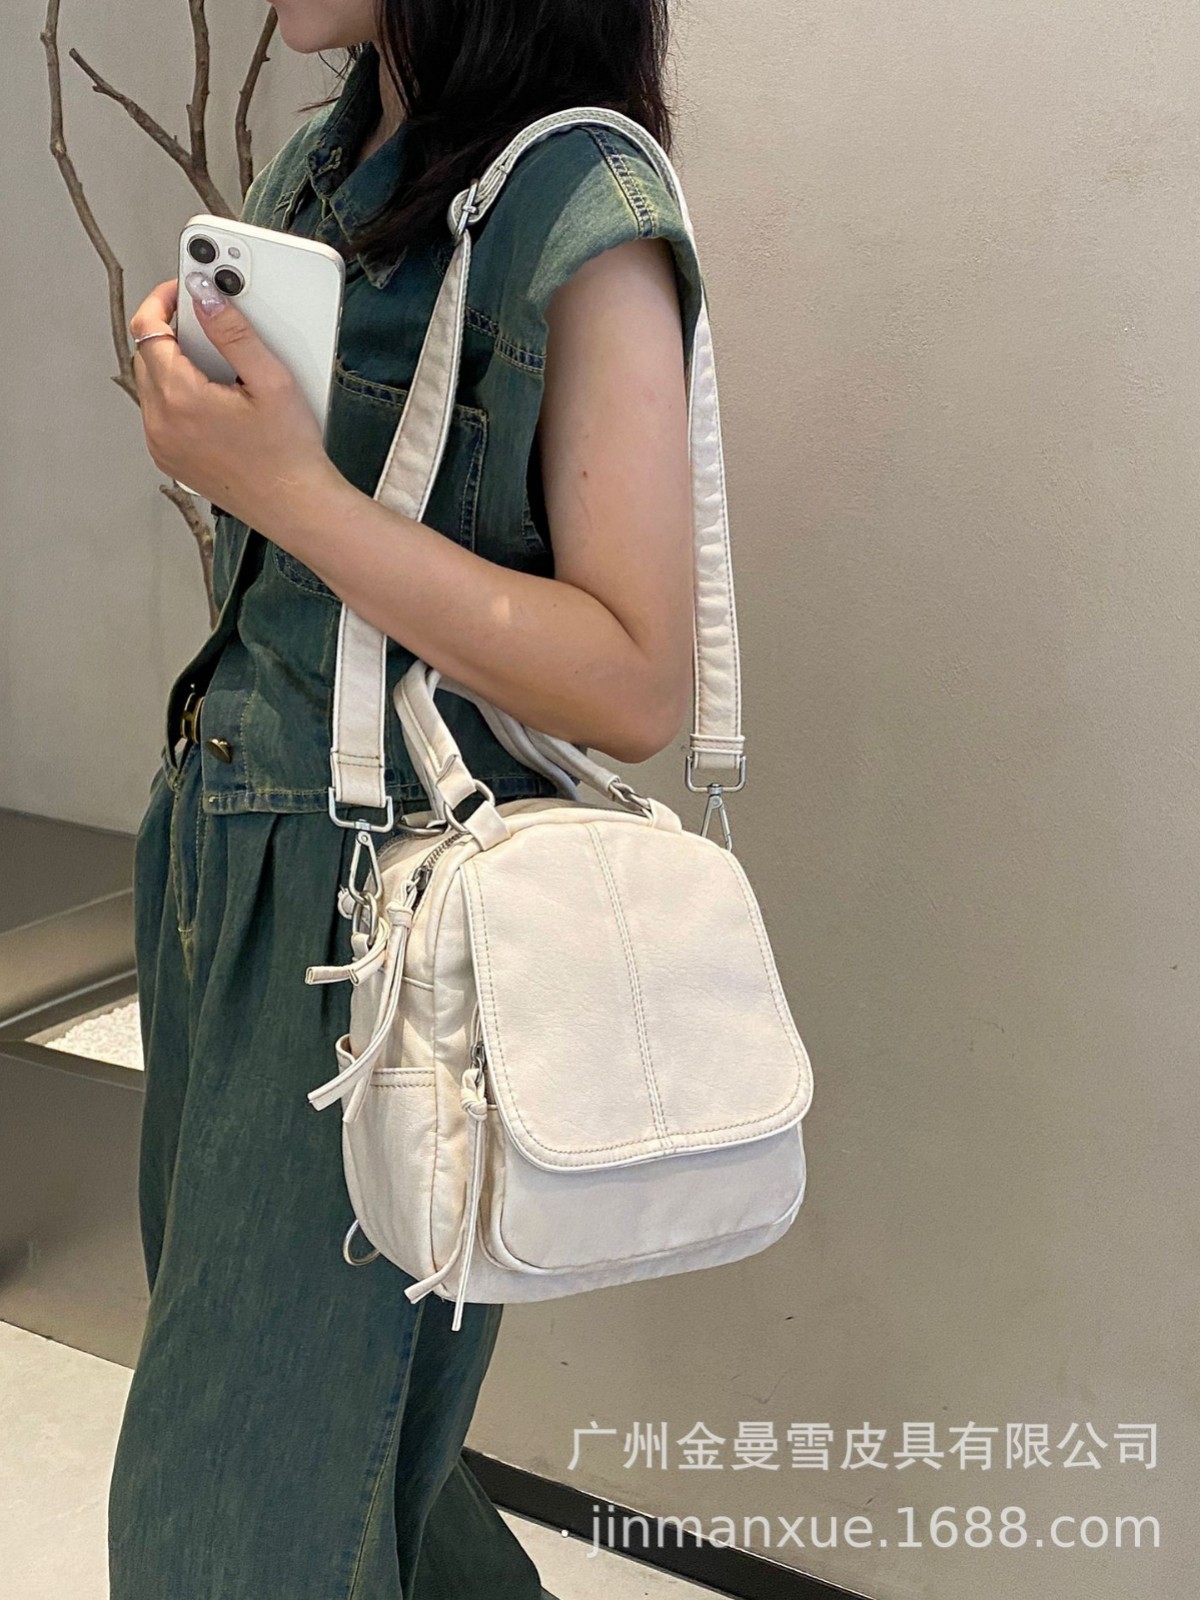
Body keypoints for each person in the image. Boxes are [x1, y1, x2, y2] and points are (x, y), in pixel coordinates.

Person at [108, 1, 704, 1595]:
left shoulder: (580, 210)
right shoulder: (333, 156)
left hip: (375, 932)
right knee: (339, 1459)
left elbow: (637, 680)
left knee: (232, 1520)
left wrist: (285, 490)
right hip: (223, 854)